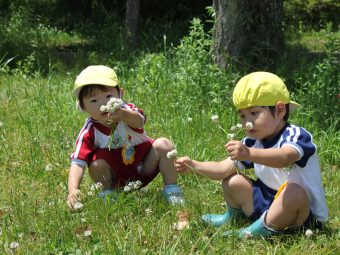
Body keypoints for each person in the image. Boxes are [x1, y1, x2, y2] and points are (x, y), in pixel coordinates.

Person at [175, 72, 328, 238]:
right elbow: (222, 169)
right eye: (242, 116)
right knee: (232, 180)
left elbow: (285, 157)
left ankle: (252, 232)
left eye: (254, 113)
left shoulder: (295, 135)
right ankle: (234, 217)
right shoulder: (253, 141)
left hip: (302, 215)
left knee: (294, 192)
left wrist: (249, 153)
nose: (247, 122)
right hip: (268, 201)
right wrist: (194, 165)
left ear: (279, 110)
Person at [67, 65, 184, 209]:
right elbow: (78, 162)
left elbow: (140, 121)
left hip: (143, 167)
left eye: (109, 96)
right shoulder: (89, 131)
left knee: (164, 144)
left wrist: (123, 115)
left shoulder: (127, 111)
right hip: (115, 177)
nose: (103, 103)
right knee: (96, 164)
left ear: (120, 95)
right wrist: (73, 190)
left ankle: (171, 190)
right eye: (93, 101)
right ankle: (108, 194)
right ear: (82, 107)